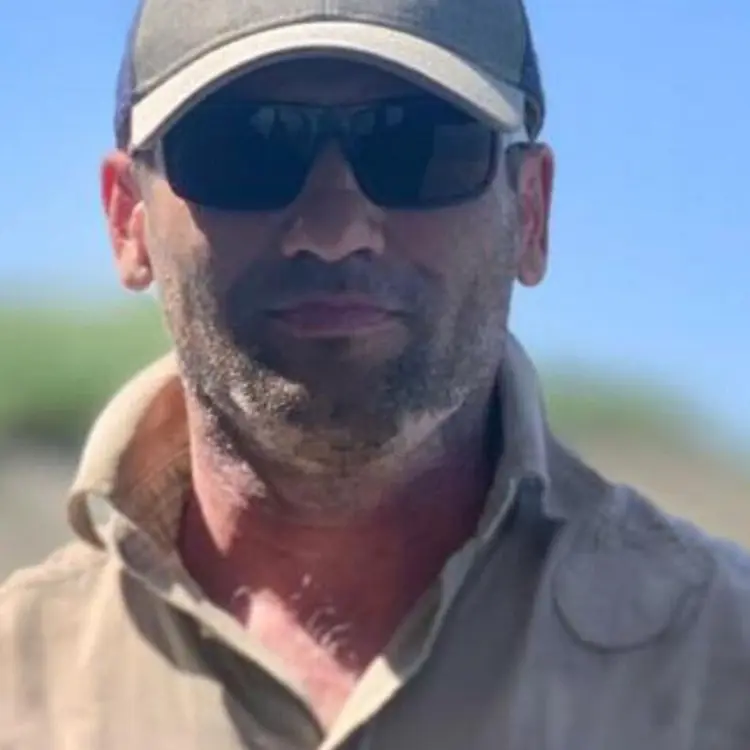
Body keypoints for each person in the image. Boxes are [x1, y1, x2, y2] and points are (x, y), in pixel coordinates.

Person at [2, 0, 749, 747]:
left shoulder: (722, 665)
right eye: (244, 149)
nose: (334, 232)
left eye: (416, 146)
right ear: (126, 218)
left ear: (531, 213)